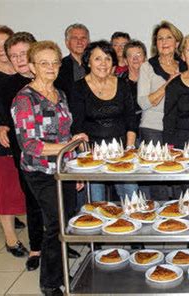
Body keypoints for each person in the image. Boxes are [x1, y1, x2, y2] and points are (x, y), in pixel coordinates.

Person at [12, 40, 87, 296]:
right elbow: (30, 144)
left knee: (66, 221)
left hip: (63, 168)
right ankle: (50, 283)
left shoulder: (60, 93)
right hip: (40, 171)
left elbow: (65, 132)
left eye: (55, 62)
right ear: (32, 66)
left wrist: (73, 166)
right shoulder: (24, 99)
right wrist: (70, 146)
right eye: (44, 63)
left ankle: (61, 269)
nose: (51, 67)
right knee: (56, 223)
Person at [0, 32, 52, 271]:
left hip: (56, 152)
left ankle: (57, 243)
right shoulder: (5, 85)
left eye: (23, 53)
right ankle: (36, 249)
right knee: (33, 202)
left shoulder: (52, 78)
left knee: (58, 202)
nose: (19, 59)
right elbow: (2, 116)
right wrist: (0, 125)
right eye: (14, 55)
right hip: (27, 154)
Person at [70, 40, 138, 201]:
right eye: (97, 59)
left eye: (108, 58)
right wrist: (86, 156)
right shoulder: (78, 88)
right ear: (88, 62)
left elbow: (131, 119)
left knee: (132, 197)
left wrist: (129, 148)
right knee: (96, 203)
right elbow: (77, 126)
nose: (103, 63)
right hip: (93, 154)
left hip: (122, 152)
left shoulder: (122, 84)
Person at [0, 26, 28, 259]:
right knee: (5, 191)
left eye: (3, 45)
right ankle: (10, 239)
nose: (0, 50)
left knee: (23, 190)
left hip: (26, 141)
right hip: (2, 142)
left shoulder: (24, 73)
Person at [138, 20, 186, 144]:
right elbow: (143, 103)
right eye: (160, 39)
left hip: (179, 128)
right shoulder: (147, 67)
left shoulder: (186, 67)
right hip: (153, 129)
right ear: (156, 44)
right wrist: (168, 84)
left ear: (176, 43)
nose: (164, 42)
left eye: (169, 37)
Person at [54, 23, 90, 98]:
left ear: (89, 42)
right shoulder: (58, 67)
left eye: (83, 38)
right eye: (75, 38)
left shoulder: (98, 66)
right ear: (67, 43)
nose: (79, 42)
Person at [121, 40, 147, 132]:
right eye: (130, 56)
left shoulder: (154, 80)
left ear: (145, 58)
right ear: (125, 60)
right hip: (125, 129)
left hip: (148, 128)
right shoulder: (118, 82)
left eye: (139, 55)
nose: (135, 59)